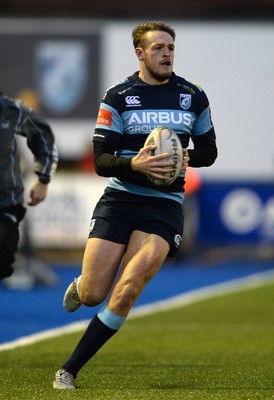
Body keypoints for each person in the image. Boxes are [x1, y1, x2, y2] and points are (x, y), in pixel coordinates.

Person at [53, 20, 217, 390]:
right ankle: (83, 285)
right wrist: (135, 163)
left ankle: (69, 369)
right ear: (140, 53)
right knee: (96, 293)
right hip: (121, 198)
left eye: (171, 48)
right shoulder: (118, 96)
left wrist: (185, 155)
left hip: (165, 206)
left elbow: (209, 151)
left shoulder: (193, 96)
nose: (167, 54)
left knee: (128, 287)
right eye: (158, 48)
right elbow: (100, 161)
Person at [0, 91, 58, 281]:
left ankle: (26, 262)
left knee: (20, 226)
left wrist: (40, 178)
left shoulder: (16, 120)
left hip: (14, 188)